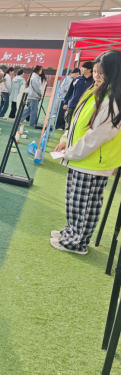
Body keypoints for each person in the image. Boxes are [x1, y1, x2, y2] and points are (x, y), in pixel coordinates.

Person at [51, 50, 121, 255]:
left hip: (91, 161)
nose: (96, 75)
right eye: (95, 71)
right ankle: (72, 234)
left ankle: (76, 242)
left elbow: (96, 136)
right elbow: (78, 120)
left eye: (102, 72)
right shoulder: (98, 90)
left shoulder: (113, 99)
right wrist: (65, 140)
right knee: (80, 203)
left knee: (82, 205)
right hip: (83, 158)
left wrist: (71, 152)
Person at [63, 62, 94, 129]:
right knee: (69, 126)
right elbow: (69, 92)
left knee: (81, 125)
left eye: (83, 68)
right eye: (81, 67)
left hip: (86, 106)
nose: (81, 69)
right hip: (72, 105)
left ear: (89, 70)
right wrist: (66, 102)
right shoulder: (77, 79)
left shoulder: (94, 81)